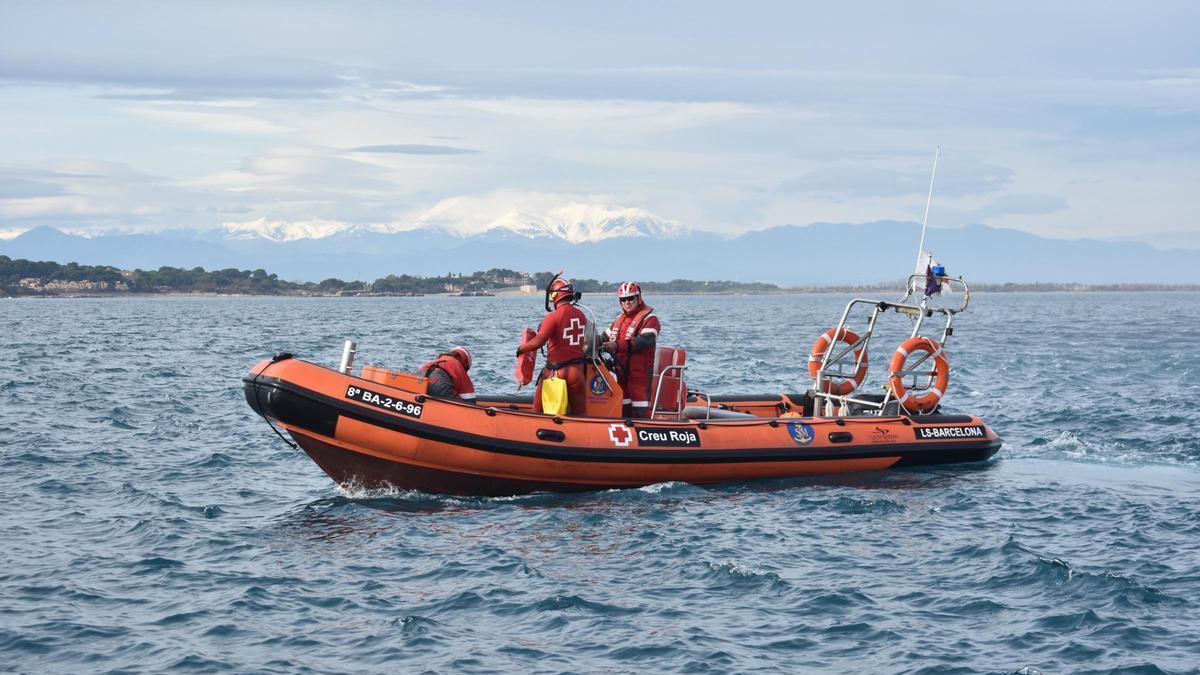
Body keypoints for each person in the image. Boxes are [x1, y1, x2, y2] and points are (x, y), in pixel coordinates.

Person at [517, 276, 588, 415]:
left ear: (555, 295)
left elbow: (538, 342)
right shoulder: (581, 315)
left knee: (538, 411)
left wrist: (521, 349)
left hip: (555, 373)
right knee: (580, 414)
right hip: (577, 372)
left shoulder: (553, 317)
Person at [602, 281, 660, 417]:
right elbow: (604, 337)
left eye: (630, 298)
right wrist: (588, 342)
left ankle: (645, 431)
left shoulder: (650, 319)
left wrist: (617, 345)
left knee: (640, 409)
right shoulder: (619, 320)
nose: (627, 302)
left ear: (638, 298)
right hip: (620, 374)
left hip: (640, 374)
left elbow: (645, 341)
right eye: (623, 299)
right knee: (623, 407)